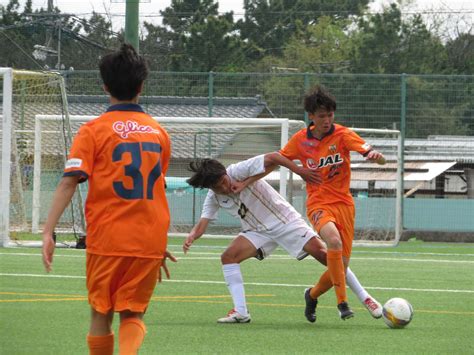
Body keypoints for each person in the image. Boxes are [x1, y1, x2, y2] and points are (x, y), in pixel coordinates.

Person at [42, 43, 175, 355]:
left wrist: (48, 231)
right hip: (148, 240)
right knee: (133, 313)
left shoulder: (93, 131)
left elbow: (69, 182)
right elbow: (154, 189)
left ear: (104, 86)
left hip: (108, 239)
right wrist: (155, 243)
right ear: (142, 86)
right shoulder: (158, 133)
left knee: (101, 312)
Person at [183, 155, 382, 324]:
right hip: (257, 230)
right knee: (228, 257)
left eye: (224, 182)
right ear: (210, 188)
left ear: (226, 173)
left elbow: (275, 157)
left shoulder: (239, 170)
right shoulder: (213, 197)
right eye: (218, 188)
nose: (225, 188)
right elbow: (203, 223)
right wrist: (192, 236)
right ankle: (241, 312)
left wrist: (298, 170)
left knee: (326, 256)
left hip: (284, 221)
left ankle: (365, 298)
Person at [263, 85, 387, 321]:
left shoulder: (343, 134)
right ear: (311, 116)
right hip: (318, 204)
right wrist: (297, 170)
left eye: (330, 115)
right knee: (332, 239)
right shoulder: (300, 140)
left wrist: (378, 158)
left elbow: (375, 157)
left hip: (344, 205)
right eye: (322, 116)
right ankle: (343, 303)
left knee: (339, 265)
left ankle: (312, 295)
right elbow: (276, 157)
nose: (327, 120)